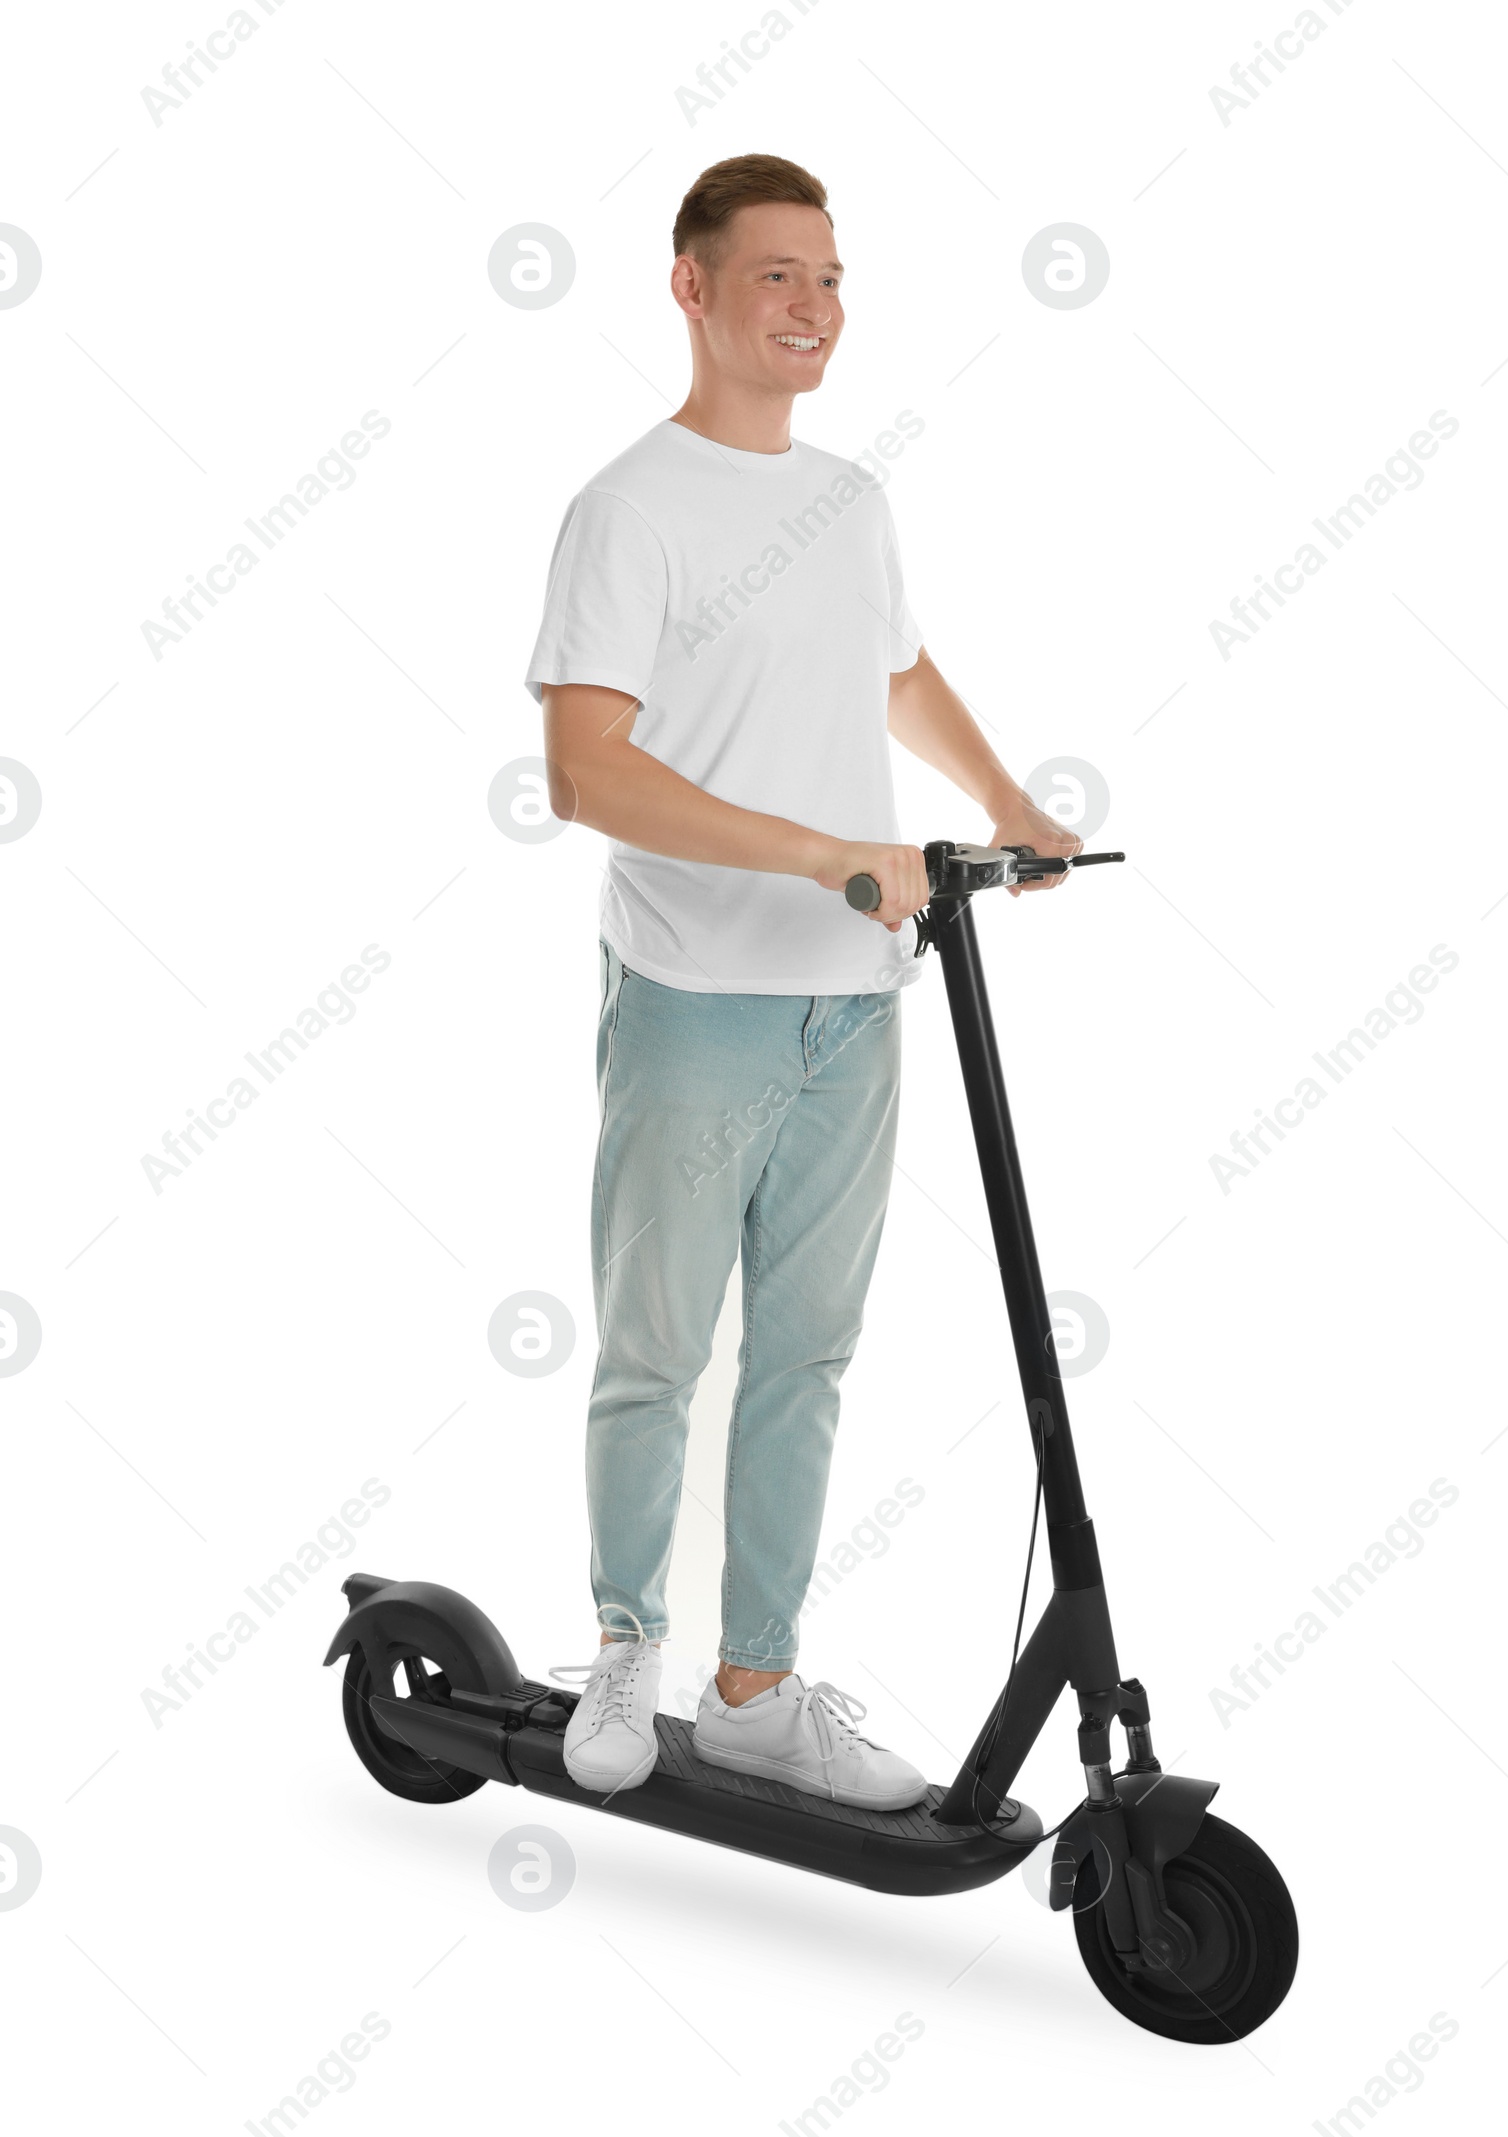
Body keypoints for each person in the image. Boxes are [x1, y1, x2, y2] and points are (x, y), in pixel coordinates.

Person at [528, 153, 1080, 1811]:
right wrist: (813, 852)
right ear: (690, 287)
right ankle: (630, 1640)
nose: (813, 307)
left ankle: (757, 1681)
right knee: (658, 1347)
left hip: (864, 995)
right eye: (777, 275)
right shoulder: (629, 509)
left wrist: (1001, 801)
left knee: (809, 1354)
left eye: (831, 278)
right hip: (699, 994)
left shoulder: (849, 500)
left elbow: (893, 666)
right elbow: (584, 774)